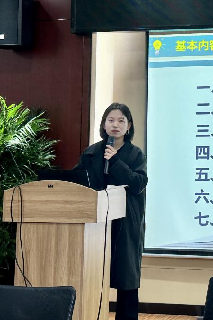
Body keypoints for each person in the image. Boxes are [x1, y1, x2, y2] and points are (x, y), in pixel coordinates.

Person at [73, 103, 147, 320]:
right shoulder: (91, 152)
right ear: (104, 124)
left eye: (121, 121)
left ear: (129, 126)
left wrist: (115, 161)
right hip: (94, 222)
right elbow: (77, 180)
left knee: (126, 278)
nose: (116, 125)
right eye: (111, 120)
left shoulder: (135, 154)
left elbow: (138, 183)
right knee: (92, 274)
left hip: (126, 223)